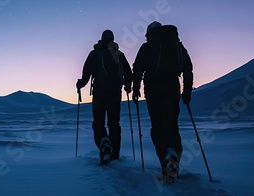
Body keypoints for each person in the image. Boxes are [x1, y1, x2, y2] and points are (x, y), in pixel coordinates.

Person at [132, 21, 193, 182]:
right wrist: (187, 92)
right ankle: (175, 153)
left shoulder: (148, 46)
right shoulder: (177, 45)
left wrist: (136, 88)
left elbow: (138, 68)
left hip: (154, 88)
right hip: (173, 87)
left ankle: (167, 157)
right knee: (172, 123)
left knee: (158, 125)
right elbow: (188, 68)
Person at [77, 30, 132, 165]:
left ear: (101, 39)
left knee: (98, 123)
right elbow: (128, 73)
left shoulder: (94, 54)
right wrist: (128, 86)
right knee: (114, 124)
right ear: (112, 39)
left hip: (99, 92)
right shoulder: (119, 54)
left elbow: (86, 73)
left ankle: (103, 142)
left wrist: (80, 84)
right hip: (115, 93)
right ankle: (115, 155)